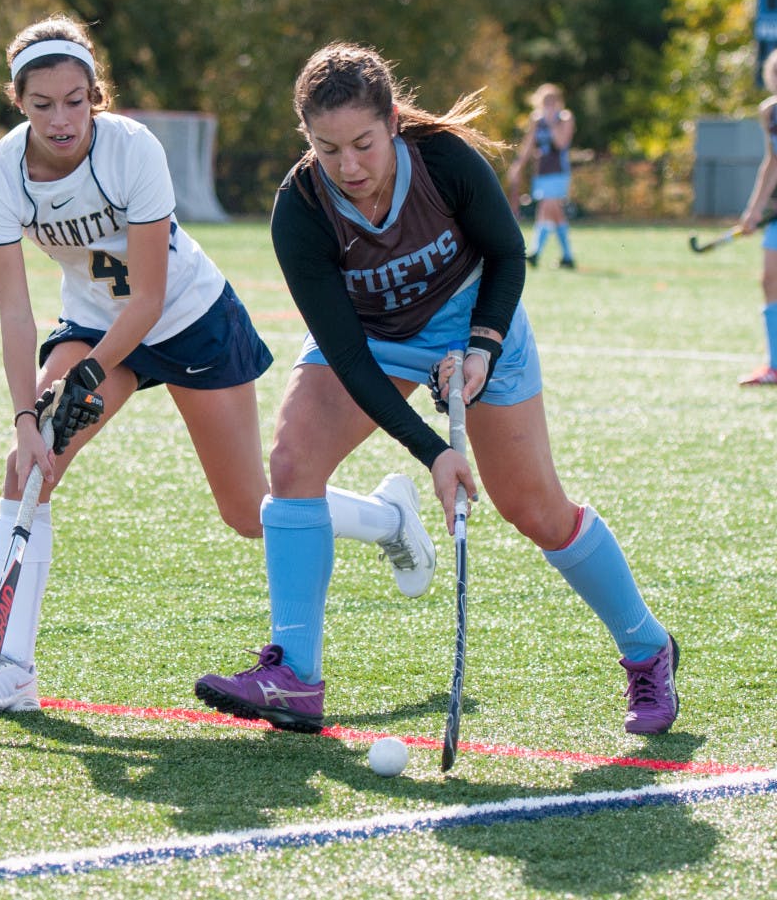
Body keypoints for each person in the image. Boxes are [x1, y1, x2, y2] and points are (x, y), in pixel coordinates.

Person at [0, 17, 438, 715]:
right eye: (43, 103)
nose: (62, 118)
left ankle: (386, 518)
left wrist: (84, 376)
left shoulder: (131, 150)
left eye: (76, 100)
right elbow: (16, 314)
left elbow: (148, 298)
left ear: (97, 96)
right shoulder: (1, 176)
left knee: (249, 509)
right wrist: (29, 414)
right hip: (92, 325)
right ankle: (12, 671)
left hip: (190, 319)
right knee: (28, 464)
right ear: (17, 100)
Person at [195, 42, 679, 737]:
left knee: (534, 507)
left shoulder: (446, 162)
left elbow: (508, 253)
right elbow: (348, 358)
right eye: (329, 150)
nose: (350, 167)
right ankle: (295, 675)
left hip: (476, 321)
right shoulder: (300, 211)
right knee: (293, 464)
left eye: (363, 143)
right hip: (375, 340)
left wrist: (481, 346)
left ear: (392, 121)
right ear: (307, 140)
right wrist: (433, 452)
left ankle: (646, 646)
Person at [736, 48, 777, 386]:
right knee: (769, 280)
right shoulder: (770, 112)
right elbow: (771, 163)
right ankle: (775, 364)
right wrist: (754, 210)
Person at [508, 82, 577, 269]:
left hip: (558, 172)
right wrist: (517, 167)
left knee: (549, 207)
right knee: (550, 212)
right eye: (546, 101)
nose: (549, 104)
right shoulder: (536, 120)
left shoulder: (565, 118)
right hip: (542, 173)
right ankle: (566, 257)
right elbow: (529, 145)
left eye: (552, 100)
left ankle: (537, 252)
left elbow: (562, 143)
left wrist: (552, 122)